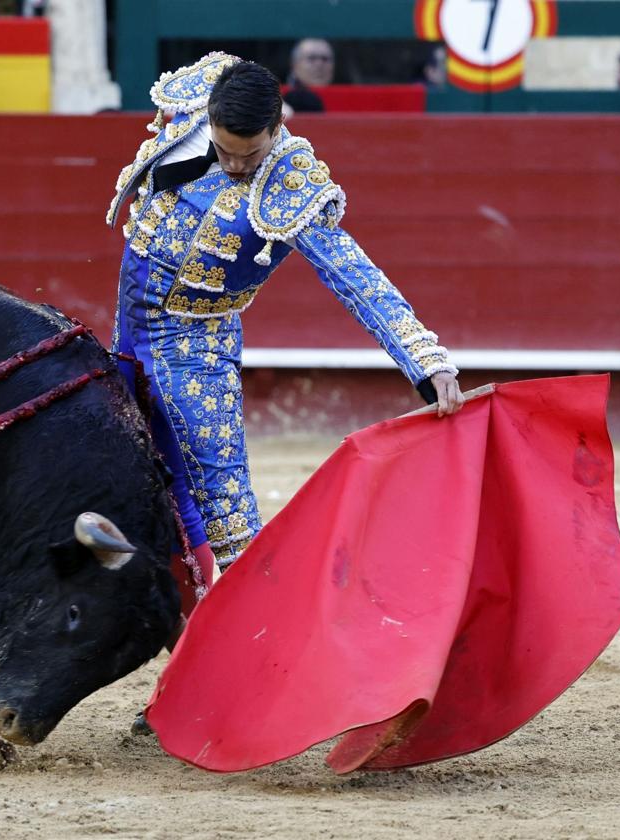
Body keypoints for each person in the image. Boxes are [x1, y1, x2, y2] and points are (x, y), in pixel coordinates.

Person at [107, 53, 462, 594]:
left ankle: (260, 620)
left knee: (223, 502)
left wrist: (426, 361)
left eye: (248, 155)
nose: (233, 166)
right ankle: (169, 607)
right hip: (132, 317)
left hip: (193, 340)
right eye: (224, 151)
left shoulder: (292, 183)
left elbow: (356, 277)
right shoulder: (201, 99)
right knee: (140, 455)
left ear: (277, 128)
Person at [283, 38, 332, 113]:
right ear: (294, 65)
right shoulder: (283, 102)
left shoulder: (344, 101)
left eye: (324, 59)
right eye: (311, 58)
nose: (319, 64)